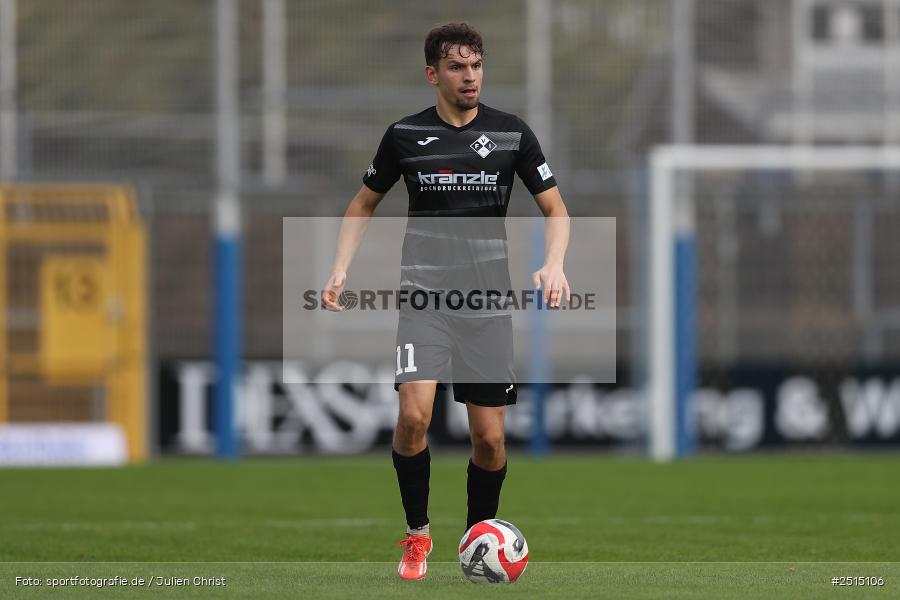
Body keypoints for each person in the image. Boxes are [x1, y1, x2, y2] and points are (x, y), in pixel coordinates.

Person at [322, 22, 570, 580]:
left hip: (485, 305)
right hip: (424, 299)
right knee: (414, 417)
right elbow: (363, 204)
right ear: (433, 74)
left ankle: (477, 540)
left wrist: (554, 263)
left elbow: (555, 209)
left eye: (476, 65)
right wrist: (340, 268)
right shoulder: (405, 135)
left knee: (490, 439)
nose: (470, 77)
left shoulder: (512, 134)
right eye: (457, 67)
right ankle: (416, 535)